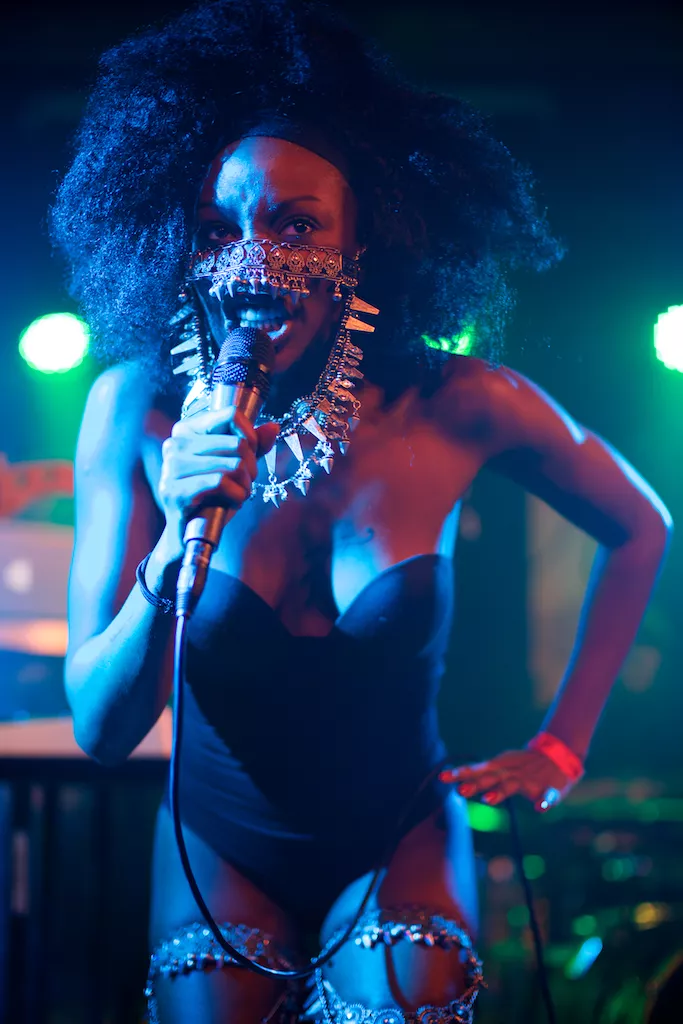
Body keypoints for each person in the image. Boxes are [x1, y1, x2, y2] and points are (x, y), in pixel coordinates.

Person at [51, 1, 672, 1021]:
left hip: (400, 843)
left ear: (365, 240)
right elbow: (102, 730)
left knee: (405, 1000)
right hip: (216, 846)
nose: (253, 260)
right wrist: (173, 549)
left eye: (294, 224)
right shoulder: (135, 411)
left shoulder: (459, 402)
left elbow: (641, 527)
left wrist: (561, 742)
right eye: (216, 230)